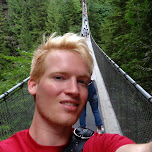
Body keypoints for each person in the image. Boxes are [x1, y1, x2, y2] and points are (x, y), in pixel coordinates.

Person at [0, 32, 152, 152]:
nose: (74, 90)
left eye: (82, 81)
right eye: (59, 77)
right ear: (33, 85)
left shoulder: (100, 145)